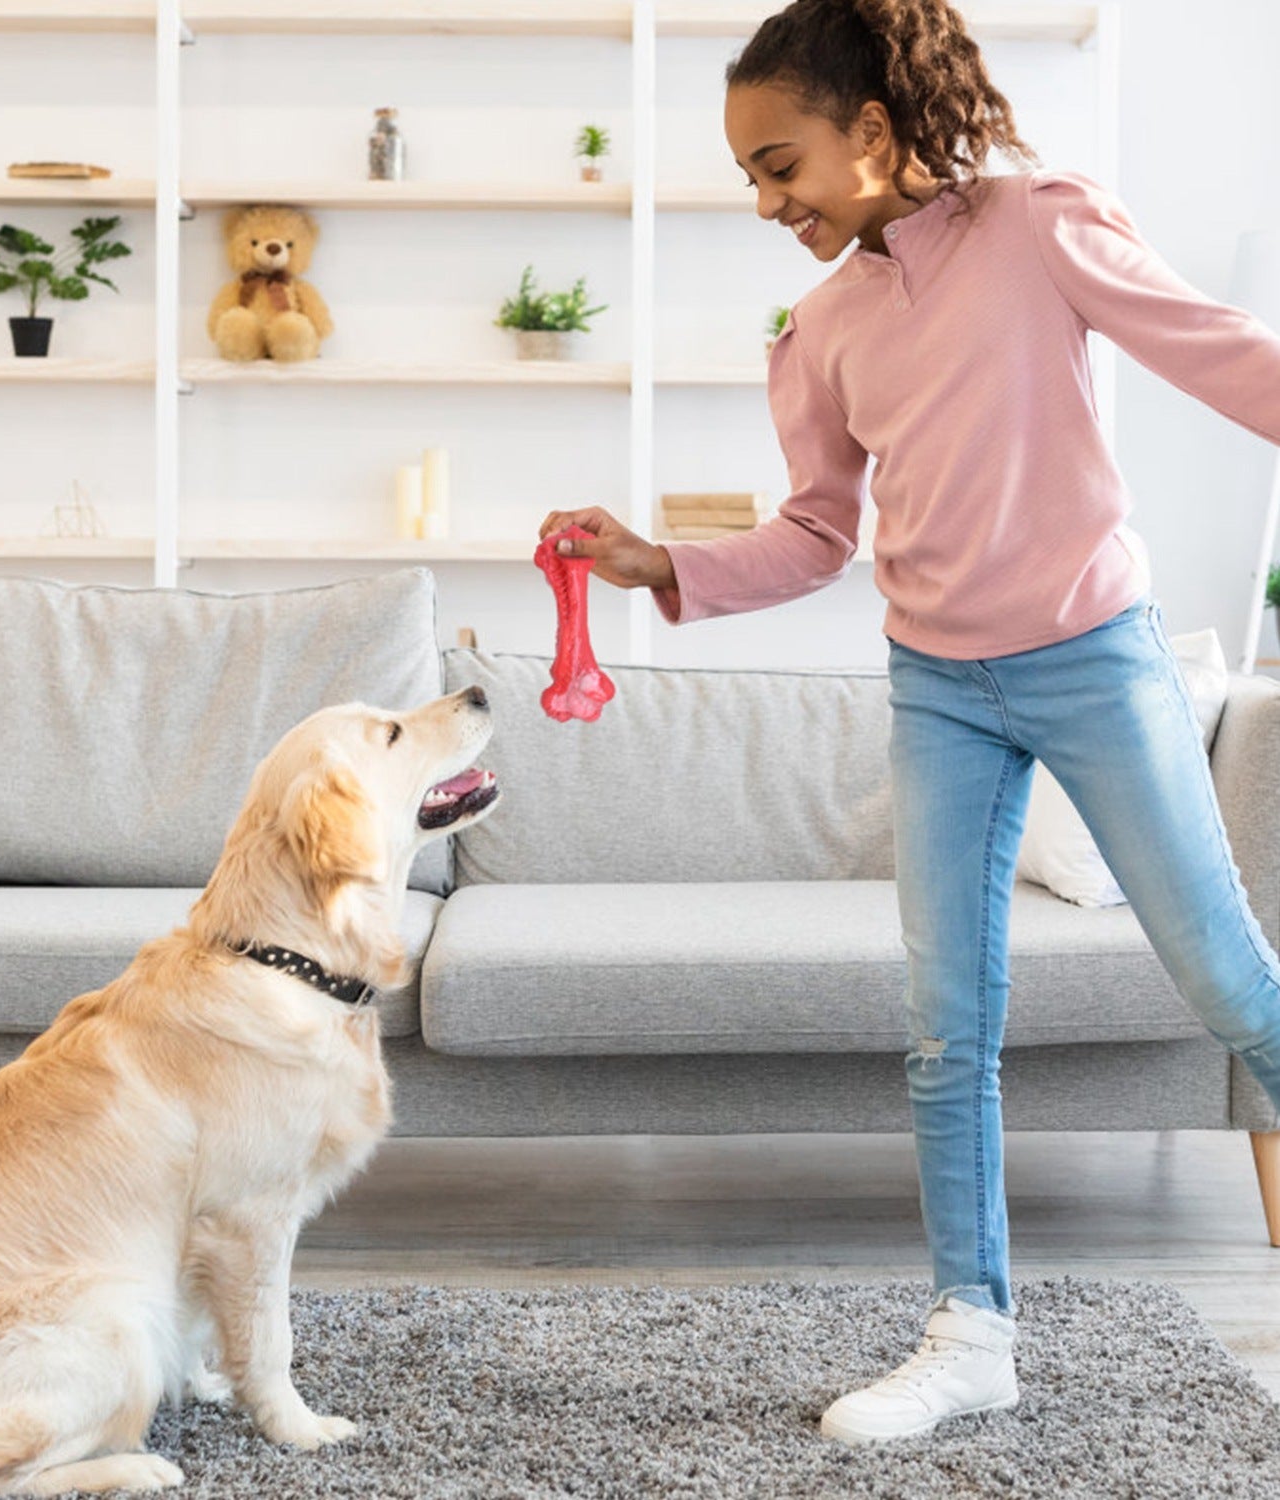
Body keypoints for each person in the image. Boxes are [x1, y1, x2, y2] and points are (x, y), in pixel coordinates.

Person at [539, 0, 1280, 1448]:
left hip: (1093, 661)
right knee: (947, 1030)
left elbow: (1228, 357)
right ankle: (972, 1331)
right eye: (748, 178)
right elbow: (817, 535)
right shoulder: (821, 332)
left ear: (871, 132)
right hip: (940, 687)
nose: (766, 203)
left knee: (1232, 992)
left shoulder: (1038, 226)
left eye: (780, 164)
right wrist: (657, 565)